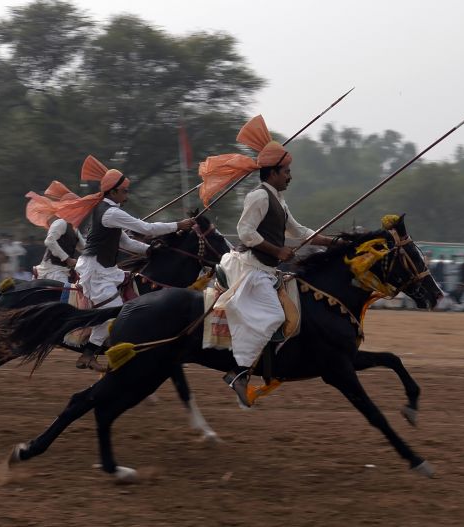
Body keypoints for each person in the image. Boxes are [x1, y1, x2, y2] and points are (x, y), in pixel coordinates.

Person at [201, 115, 336, 407]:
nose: (290, 176)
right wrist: (277, 252)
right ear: (272, 173)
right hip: (250, 269)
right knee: (275, 317)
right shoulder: (259, 197)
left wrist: (332, 242)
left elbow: (298, 231)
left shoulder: (278, 198)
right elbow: (244, 231)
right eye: (286, 171)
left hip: (265, 270)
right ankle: (239, 374)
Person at [55, 155, 195, 372]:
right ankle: (92, 353)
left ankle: (92, 354)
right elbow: (146, 229)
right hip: (95, 270)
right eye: (125, 191)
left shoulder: (107, 210)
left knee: (122, 307)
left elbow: (124, 241)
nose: (127, 194)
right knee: (117, 312)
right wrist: (178, 224)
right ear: (113, 192)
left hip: (106, 268)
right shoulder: (110, 212)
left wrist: (148, 250)